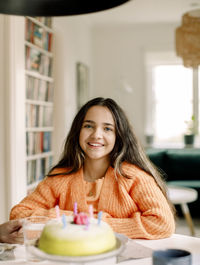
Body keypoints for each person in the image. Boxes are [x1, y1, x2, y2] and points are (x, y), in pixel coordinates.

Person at [10, 97, 175, 239]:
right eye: (89, 126)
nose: (96, 134)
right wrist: (73, 219)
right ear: (78, 131)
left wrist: (95, 224)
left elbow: (163, 224)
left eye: (107, 128)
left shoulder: (133, 177)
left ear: (118, 137)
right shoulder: (60, 177)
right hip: (70, 262)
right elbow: (19, 214)